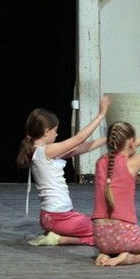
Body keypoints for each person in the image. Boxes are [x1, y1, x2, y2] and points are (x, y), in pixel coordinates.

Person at [16, 96, 111, 246]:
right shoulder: (46, 151)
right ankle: (59, 239)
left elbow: (81, 147)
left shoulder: (40, 152)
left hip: (49, 218)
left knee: (100, 228)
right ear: (46, 132)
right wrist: (101, 114)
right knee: (106, 233)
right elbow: (79, 139)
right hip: (59, 218)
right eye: (55, 131)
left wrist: (107, 139)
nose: (57, 134)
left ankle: (54, 234)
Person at [91, 121, 140, 266]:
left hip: (100, 238)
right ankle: (130, 258)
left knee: (113, 239)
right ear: (130, 143)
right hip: (124, 236)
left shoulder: (100, 162)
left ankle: (106, 252)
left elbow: (122, 148)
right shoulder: (132, 163)